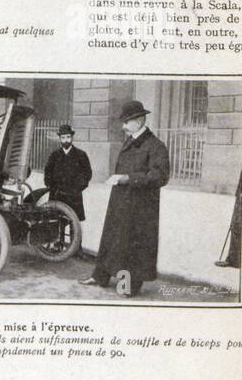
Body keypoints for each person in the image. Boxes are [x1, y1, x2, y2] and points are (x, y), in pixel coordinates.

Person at [79, 101, 170, 297]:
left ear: (139, 121)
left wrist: (128, 178)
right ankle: (100, 276)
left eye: (127, 122)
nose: (123, 126)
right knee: (112, 239)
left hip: (141, 206)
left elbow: (160, 176)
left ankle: (129, 286)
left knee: (135, 245)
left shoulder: (155, 146)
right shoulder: (130, 141)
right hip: (121, 201)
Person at [44, 124, 93, 220]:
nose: (66, 140)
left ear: (72, 137)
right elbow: (48, 173)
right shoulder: (54, 155)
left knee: (74, 223)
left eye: (68, 137)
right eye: (63, 137)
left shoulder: (81, 155)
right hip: (57, 196)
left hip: (74, 197)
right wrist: (52, 186)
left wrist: (77, 188)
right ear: (59, 139)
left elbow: (87, 174)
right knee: (56, 222)